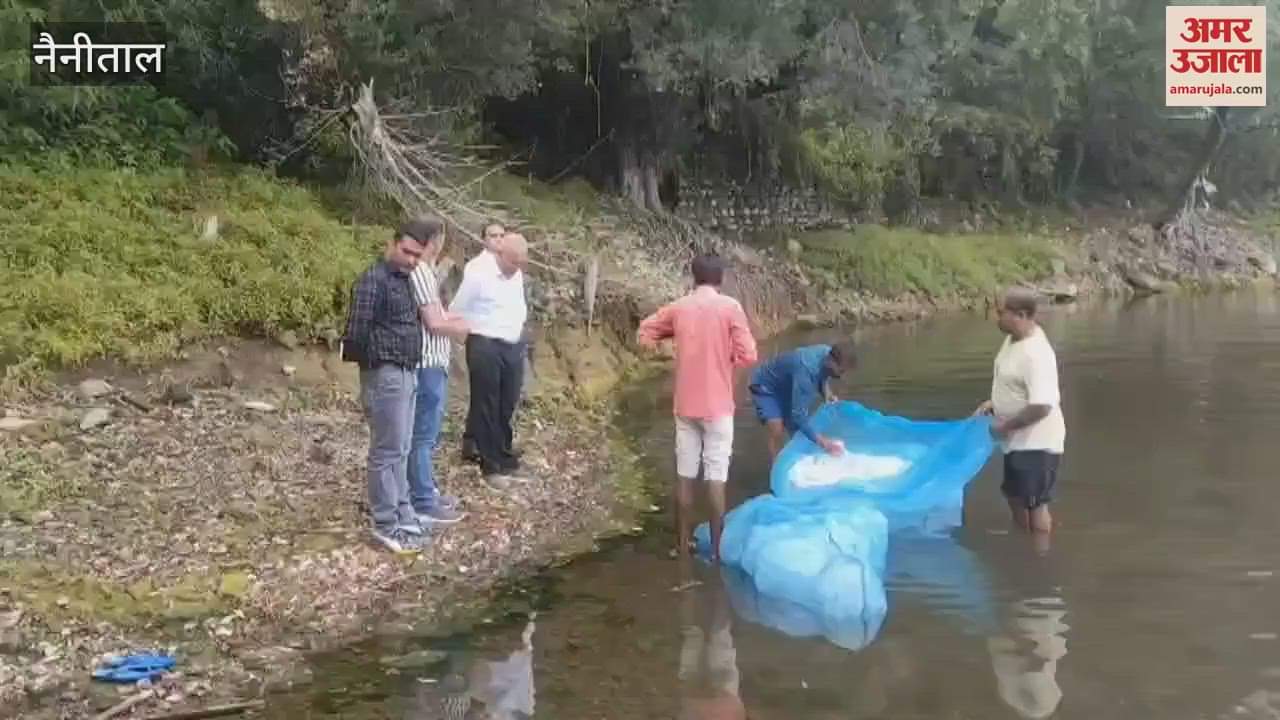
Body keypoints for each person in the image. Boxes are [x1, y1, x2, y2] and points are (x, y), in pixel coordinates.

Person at [637, 254, 758, 561]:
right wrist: (728, 362)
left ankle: (681, 545)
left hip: (685, 405)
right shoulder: (730, 308)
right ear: (721, 279)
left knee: (684, 474)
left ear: (693, 277)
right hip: (718, 406)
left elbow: (645, 331)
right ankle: (717, 551)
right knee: (716, 476)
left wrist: (663, 348)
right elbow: (749, 355)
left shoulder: (679, 307)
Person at [341, 220, 432, 554]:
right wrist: (376, 367)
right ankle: (385, 522)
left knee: (403, 447)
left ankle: (403, 510)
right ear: (393, 244)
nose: (411, 260)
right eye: (407, 252)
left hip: (407, 370)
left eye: (417, 256)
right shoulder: (372, 279)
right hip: (385, 373)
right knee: (386, 450)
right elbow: (356, 332)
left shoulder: (405, 281)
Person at [973, 287, 1066, 540]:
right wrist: (994, 403)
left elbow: (1042, 406)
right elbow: (1013, 383)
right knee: (1014, 497)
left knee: (1035, 503)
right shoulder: (1013, 339)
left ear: (1022, 315)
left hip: (1038, 443)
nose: (995, 317)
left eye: (1000, 312)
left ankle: (1039, 556)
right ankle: (1021, 543)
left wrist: (1005, 427)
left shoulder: (1036, 355)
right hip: (1015, 441)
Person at [450, 232, 530, 490]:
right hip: (484, 342)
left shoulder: (516, 274)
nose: (516, 268)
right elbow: (457, 308)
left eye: (521, 263)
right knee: (487, 404)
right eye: (512, 262)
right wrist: (465, 338)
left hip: (511, 343)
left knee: (507, 403)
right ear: (499, 254)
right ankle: (490, 465)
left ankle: (504, 456)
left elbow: (517, 306)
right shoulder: (478, 273)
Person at [406, 219, 469, 527]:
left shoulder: (428, 272)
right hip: (425, 364)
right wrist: (463, 327)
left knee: (427, 434)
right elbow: (433, 323)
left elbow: (438, 315)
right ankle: (422, 501)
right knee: (422, 434)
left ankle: (426, 489)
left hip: (434, 363)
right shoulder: (419, 271)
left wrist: (453, 318)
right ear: (434, 240)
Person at [748, 343, 854, 464]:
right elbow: (798, 415)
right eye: (841, 370)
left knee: (796, 432)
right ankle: (776, 465)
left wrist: (827, 394)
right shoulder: (806, 373)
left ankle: (794, 457)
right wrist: (823, 442)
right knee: (777, 428)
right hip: (766, 385)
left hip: (788, 385)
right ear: (831, 361)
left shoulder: (827, 352)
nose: (842, 375)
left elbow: (824, 375)